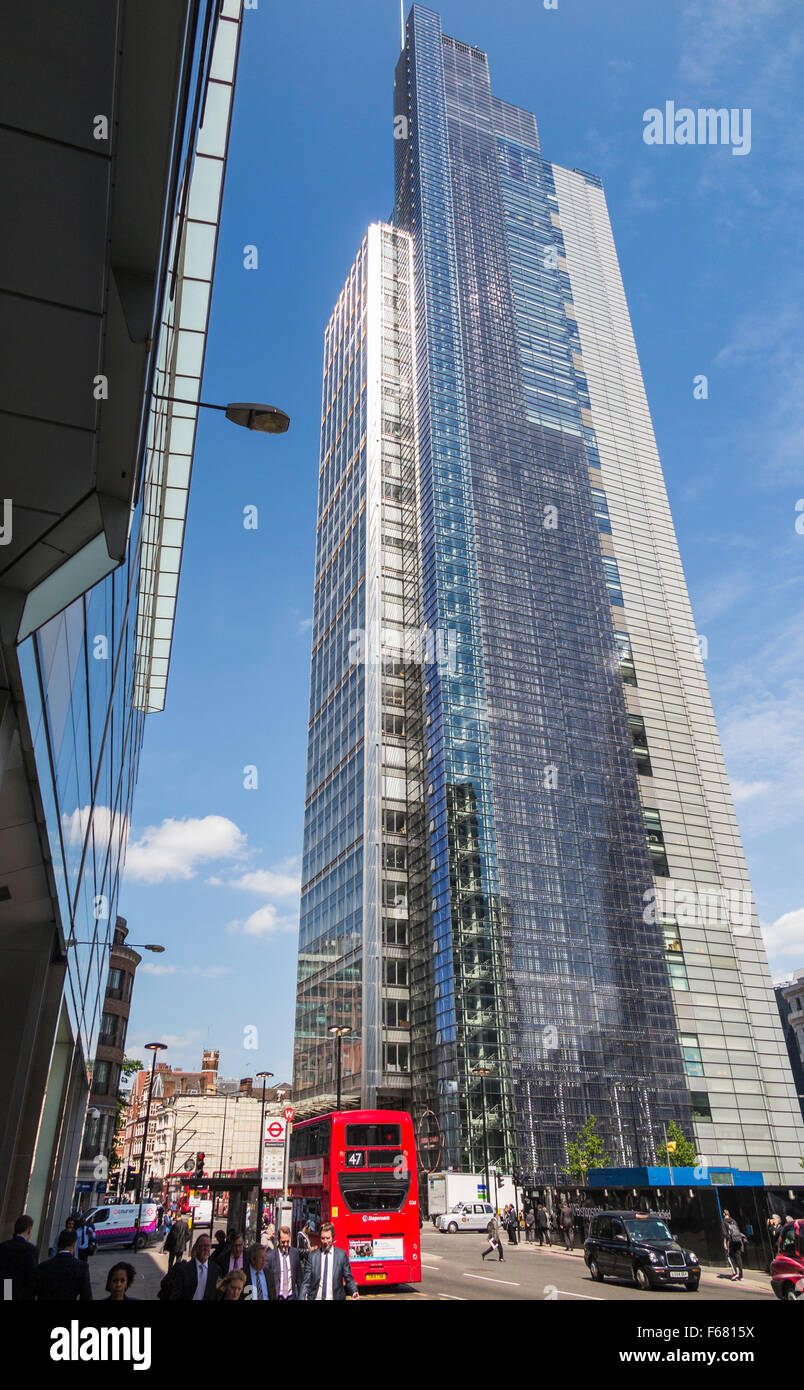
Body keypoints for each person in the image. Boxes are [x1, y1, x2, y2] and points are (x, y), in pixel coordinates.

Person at [299, 1222, 359, 1300]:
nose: (325, 1241)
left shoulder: (341, 1255)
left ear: (333, 1237)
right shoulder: (313, 1256)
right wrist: (302, 1297)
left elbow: (348, 1278)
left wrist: (354, 1292)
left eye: (328, 1238)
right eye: (323, 1238)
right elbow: (306, 1282)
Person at [34, 1229, 93, 1300]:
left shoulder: (42, 1266)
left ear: (58, 1244)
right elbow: (87, 1296)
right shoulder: (81, 1267)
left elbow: (31, 1292)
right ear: (74, 1244)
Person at [169, 1234, 219, 1300]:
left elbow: (217, 1294)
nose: (205, 1249)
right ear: (197, 1248)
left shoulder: (216, 1270)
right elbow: (176, 1294)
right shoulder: (184, 1270)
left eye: (207, 1246)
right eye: (202, 1246)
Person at [0, 1214, 38, 1300]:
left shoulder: (3, 1246)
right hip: (22, 1291)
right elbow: (31, 1277)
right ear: (29, 1229)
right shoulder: (31, 1250)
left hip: (6, 1288)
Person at [268, 1225, 302, 1300]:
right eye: (283, 1242)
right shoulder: (271, 1256)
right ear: (278, 1240)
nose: (286, 1245)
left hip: (291, 1296)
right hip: (277, 1296)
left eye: (287, 1242)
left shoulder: (294, 1253)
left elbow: (299, 1278)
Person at [721, 1209, 746, 1281]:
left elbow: (724, 1234)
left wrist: (725, 1243)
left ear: (723, 1214)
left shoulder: (724, 1222)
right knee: (738, 1256)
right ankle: (741, 1276)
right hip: (738, 1240)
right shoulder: (734, 1221)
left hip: (731, 1241)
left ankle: (735, 1273)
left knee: (730, 1257)